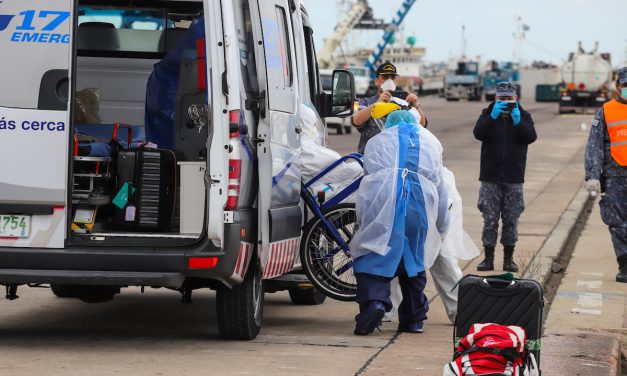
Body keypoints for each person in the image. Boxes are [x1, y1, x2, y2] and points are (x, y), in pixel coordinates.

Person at [350, 109, 450, 336]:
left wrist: (363, 218)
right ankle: (413, 319)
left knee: (372, 252)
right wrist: (442, 224)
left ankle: (374, 303)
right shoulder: (431, 143)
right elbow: (441, 188)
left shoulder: (377, 141)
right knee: (413, 261)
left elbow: (367, 177)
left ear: (389, 124)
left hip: (384, 199)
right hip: (419, 203)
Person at [473, 82, 537, 272]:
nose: (505, 102)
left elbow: (530, 137)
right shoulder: (487, 114)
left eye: (509, 98)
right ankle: (488, 258)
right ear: (496, 98)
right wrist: (491, 118)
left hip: (513, 178)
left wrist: (518, 122)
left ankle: (509, 259)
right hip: (490, 178)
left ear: (516, 98)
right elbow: (478, 133)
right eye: (501, 99)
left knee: (511, 220)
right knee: (490, 219)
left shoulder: (524, 117)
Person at [584, 67, 627, 283]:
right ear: (618, 86)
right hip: (615, 176)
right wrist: (592, 175)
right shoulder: (606, 111)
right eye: (625, 85)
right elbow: (595, 145)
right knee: (617, 222)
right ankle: (624, 264)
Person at [351, 62, 427, 154]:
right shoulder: (366, 102)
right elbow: (356, 120)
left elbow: (422, 125)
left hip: (396, 158)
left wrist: (416, 105)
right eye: (385, 78)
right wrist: (377, 104)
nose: (389, 81)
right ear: (376, 81)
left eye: (392, 78)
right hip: (371, 159)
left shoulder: (402, 103)